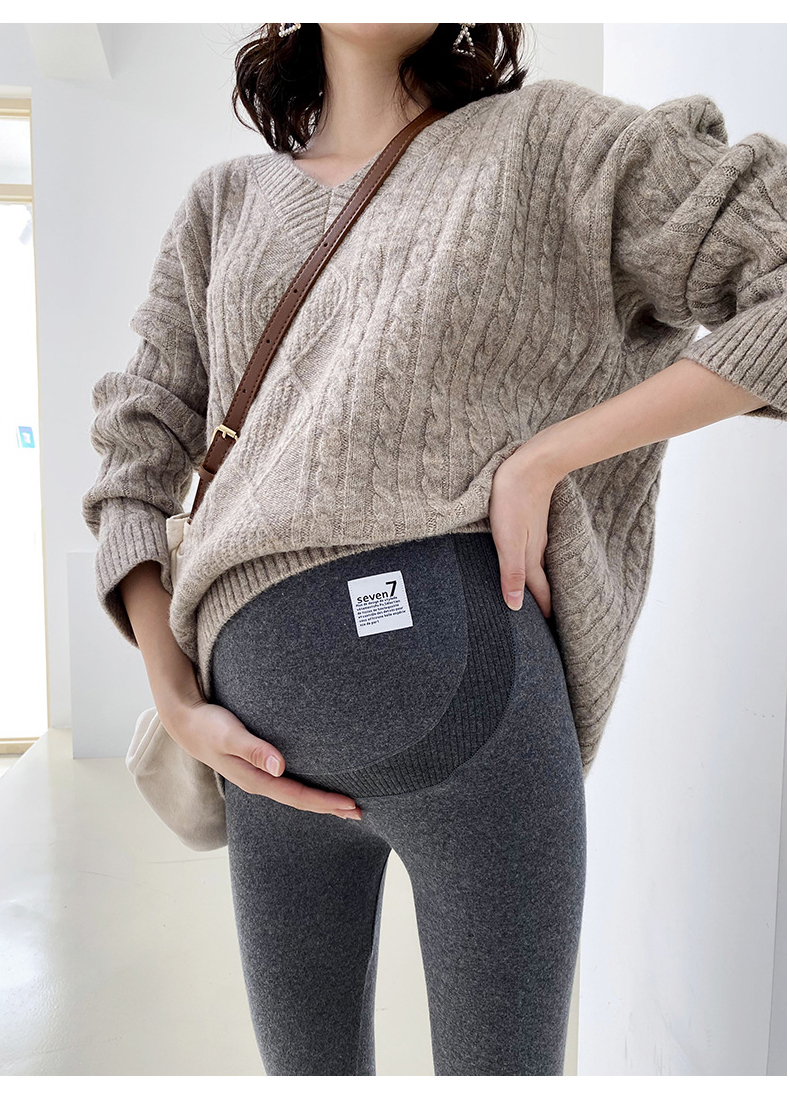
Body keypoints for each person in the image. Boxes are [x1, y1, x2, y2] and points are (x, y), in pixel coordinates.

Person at [81, 23, 786, 1076]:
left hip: (479, 726)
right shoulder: (222, 205)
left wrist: (546, 458)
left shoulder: (545, 141)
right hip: (257, 761)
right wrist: (174, 697)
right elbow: (134, 453)